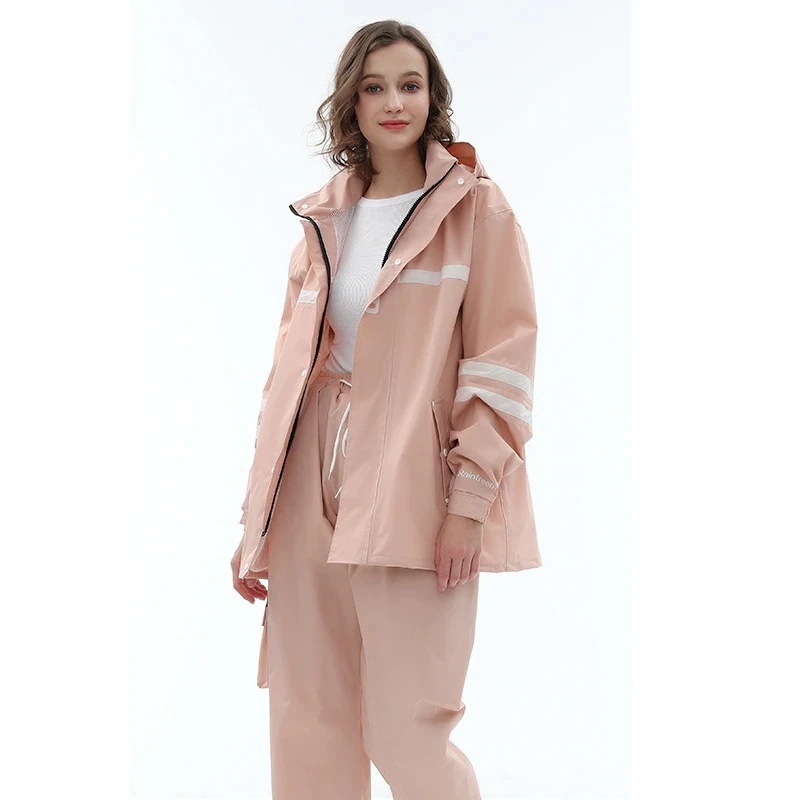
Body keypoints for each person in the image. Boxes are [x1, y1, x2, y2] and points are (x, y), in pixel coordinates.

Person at [230, 19, 541, 800]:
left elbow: (502, 363)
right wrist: (256, 523)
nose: (394, 102)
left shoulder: (478, 210)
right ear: (352, 103)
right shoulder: (325, 218)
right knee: (309, 718)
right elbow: (285, 378)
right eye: (374, 87)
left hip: (414, 478)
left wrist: (470, 503)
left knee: (409, 727)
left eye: (410, 84)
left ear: (433, 97)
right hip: (309, 477)